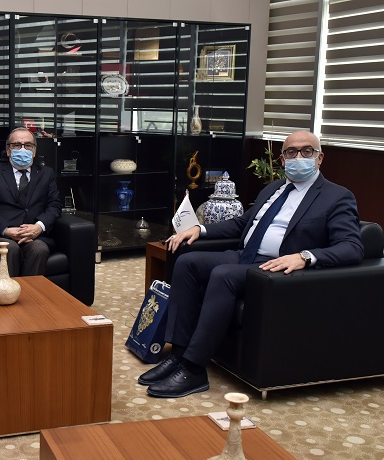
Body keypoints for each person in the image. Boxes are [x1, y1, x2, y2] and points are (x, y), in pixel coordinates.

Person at [140, 130, 364, 398]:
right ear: (282, 159)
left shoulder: (337, 196)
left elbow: (352, 247)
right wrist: (200, 229)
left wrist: (304, 257)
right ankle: (178, 354)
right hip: (245, 256)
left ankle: (194, 368)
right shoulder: (273, 188)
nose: (298, 157)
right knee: (187, 262)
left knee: (223, 275)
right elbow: (242, 224)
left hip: (276, 269)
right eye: (291, 152)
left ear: (320, 157)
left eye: (307, 151)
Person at [0, 127, 62, 277]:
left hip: (34, 236)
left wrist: (38, 227)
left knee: (40, 249)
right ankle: (8, 291)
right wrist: (7, 230)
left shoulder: (46, 173)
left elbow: (54, 206)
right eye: (17, 145)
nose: (23, 149)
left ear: (34, 151)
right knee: (9, 248)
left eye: (28, 145)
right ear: (8, 150)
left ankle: (29, 292)